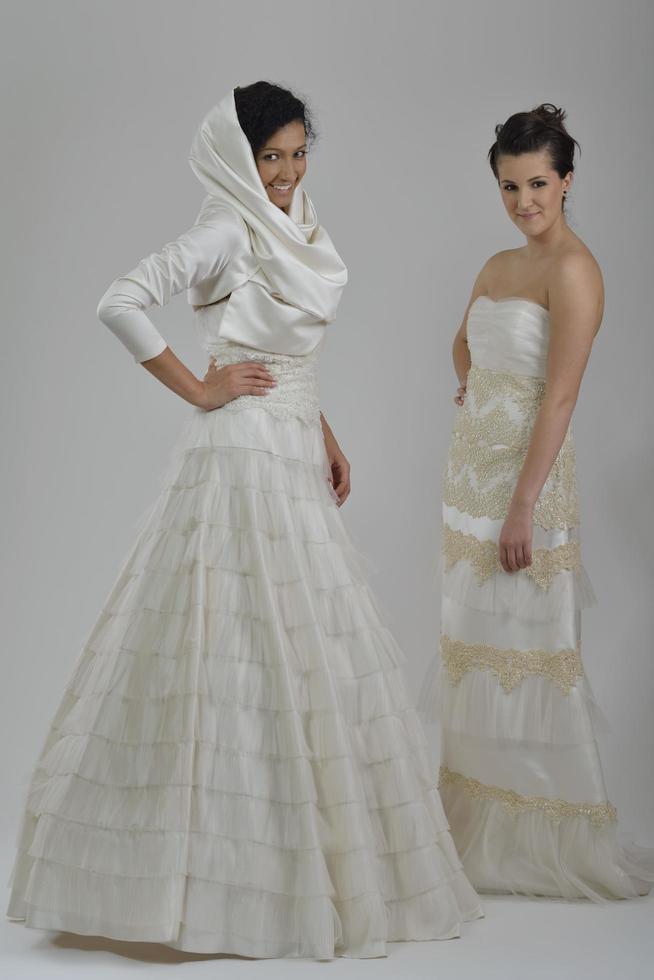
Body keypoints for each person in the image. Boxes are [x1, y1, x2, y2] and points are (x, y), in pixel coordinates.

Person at [6, 81, 482, 960]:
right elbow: (119, 299)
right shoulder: (227, 226)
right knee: (226, 647)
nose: (288, 173)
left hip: (290, 445)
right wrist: (198, 387)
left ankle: (292, 875)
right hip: (238, 458)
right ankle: (207, 890)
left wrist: (323, 430)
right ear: (239, 156)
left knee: (297, 650)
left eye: (300, 154)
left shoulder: (299, 225)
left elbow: (284, 351)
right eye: (272, 156)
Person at [417, 103, 654, 900]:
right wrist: (477, 392)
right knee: (469, 645)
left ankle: (545, 838)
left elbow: (558, 400)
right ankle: (478, 829)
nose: (525, 202)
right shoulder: (496, 264)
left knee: (526, 656)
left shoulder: (575, 270)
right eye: (510, 186)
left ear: (568, 181)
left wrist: (524, 506)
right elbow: (462, 343)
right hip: (468, 479)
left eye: (539, 184)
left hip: (528, 483)